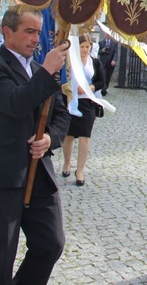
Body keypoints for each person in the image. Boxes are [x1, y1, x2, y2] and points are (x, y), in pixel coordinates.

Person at [0, 5, 71, 285]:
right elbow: (15, 103)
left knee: (51, 242)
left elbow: (62, 115)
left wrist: (50, 137)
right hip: (3, 174)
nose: (35, 39)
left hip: (39, 172)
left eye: (38, 33)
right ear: (7, 32)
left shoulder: (42, 70)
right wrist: (49, 70)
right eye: (29, 32)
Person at [61, 33, 105, 187]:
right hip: (71, 101)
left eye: (88, 47)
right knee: (69, 135)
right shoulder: (70, 61)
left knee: (85, 136)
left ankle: (80, 170)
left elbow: (101, 82)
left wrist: (90, 87)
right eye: (82, 46)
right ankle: (67, 163)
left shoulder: (94, 62)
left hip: (88, 103)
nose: (85, 49)